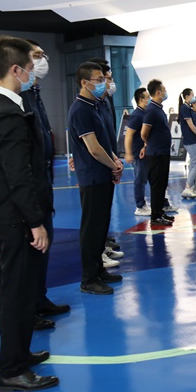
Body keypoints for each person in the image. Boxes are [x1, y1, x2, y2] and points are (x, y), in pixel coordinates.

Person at [0, 35, 59, 392]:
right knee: (16, 292)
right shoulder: (8, 115)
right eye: (30, 66)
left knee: (17, 288)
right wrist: (35, 222)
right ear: (16, 69)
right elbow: (18, 175)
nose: (33, 72)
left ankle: (20, 353)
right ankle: (11, 370)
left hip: (2, 211)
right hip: (14, 216)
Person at [19, 39, 70, 332]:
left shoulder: (34, 94)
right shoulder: (20, 98)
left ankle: (40, 299)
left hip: (43, 187)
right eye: (37, 56)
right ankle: (29, 309)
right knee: (30, 253)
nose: (42, 60)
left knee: (43, 250)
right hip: (30, 190)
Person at [67, 62, 124, 295]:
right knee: (91, 229)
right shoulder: (80, 109)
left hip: (103, 175)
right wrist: (113, 166)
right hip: (92, 177)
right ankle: (89, 278)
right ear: (84, 82)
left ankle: (99, 269)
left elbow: (105, 142)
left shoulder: (96, 105)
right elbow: (94, 149)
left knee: (101, 226)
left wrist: (115, 162)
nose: (104, 83)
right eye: (99, 80)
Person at [87, 58, 124, 267]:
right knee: (95, 215)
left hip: (109, 161)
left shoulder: (104, 103)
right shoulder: (88, 107)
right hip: (98, 167)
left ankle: (104, 244)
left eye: (108, 79)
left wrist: (114, 159)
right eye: (104, 79)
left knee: (104, 211)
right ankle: (96, 254)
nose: (109, 83)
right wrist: (112, 163)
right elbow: (93, 143)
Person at [141, 79, 176, 226]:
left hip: (163, 152)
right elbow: (144, 133)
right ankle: (155, 216)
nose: (165, 92)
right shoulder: (151, 110)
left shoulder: (158, 109)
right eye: (164, 89)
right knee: (156, 185)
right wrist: (150, 144)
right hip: (156, 154)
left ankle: (160, 211)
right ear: (158, 92)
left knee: (162, 184)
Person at [125, 87, 152, 215]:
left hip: (147, 152)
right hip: (138, 154)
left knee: (151, 178)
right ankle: (140, 206)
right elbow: (129, 134)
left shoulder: (146, 113)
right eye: (148, 97)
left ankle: (161, 202)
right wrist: (128, 153)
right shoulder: (137, 115)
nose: (150, 99)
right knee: (140, 180)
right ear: (141, 100)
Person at [179, 88, 196, 198]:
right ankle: (187, 187)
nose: (193, 97)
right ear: (187, 96)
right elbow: (191, 125)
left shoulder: (188, 108)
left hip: (192, 140)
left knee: (193, 163)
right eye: (192, 95)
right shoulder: (184, 108)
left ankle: (193, 187)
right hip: (190, 140)